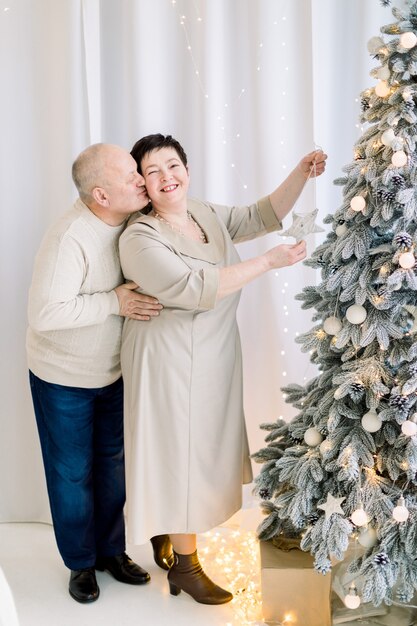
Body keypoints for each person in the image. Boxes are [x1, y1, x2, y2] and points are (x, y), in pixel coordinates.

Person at [119, 133, 327, 605]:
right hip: (167, 358)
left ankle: (167, 534)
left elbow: (261, 215)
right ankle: (187, 567)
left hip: (212, 353)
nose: (167, 177)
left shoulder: (204, 214)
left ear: (187, 170)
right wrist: (269, 261)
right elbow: (193, 287)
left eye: (173, 166)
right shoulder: (139, 237)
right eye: (153, 172)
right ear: (142, 185)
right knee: (180, 457)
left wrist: (300, 172)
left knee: (205, 450)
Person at [26, 143, 163, 604]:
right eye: (131, 176)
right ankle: (80, 564)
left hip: (112, 372)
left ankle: (111, 551)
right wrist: (115, 301)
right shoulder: (71, 238)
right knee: (72, 475)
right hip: (62, 377)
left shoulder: (132, 221)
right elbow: (45, 313)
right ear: (101, 196)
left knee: (111, 467)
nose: (141, 179)